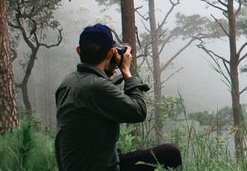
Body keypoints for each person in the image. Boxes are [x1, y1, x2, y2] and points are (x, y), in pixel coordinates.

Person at [54, 24, 182, 171]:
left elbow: (95, 100)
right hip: (99, 167)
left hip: (81, 163)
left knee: (166, 154)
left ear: (79, 50)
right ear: (110, 53)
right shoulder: (96, 87)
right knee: (171, 155)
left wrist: (106, 73)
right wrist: (126, 71)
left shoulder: (69, 82)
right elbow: (138, 111)